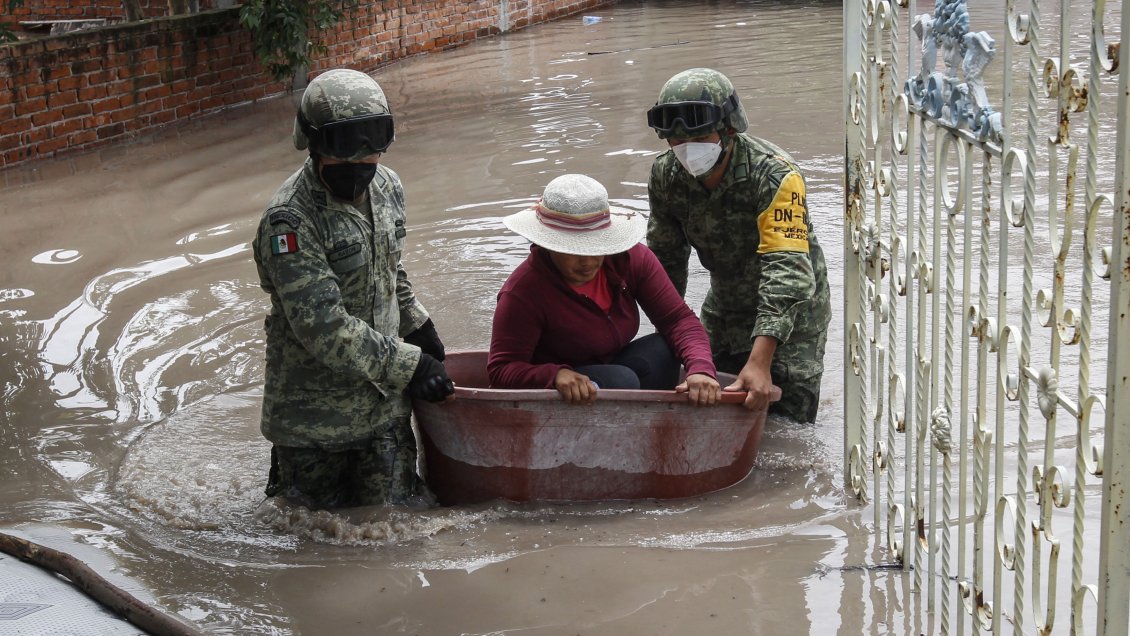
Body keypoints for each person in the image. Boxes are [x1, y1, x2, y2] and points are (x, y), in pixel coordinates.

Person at [252, 68, 455, 509]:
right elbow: (323, 328)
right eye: (346, 148)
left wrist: (418, 324)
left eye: (373, 145)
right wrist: (411, 365)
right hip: (314, 426)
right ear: (313, 144)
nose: (360, 164)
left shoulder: (388, 188)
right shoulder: (289, 221)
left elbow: (390, 269)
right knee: (310, 534)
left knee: (400, 521)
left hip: (383, 409)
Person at [645, 68, 832, 423]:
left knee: (787, 427)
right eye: (677, 141)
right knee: (709, 415)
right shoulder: (666, 176)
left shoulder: (775, 175)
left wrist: (761, 362)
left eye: (700, 139)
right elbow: (664, 263)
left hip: (793, 320)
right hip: (724, 311)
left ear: (729, 129)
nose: (688, 151)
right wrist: (669, 340)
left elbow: (787, 272)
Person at [488, 173, 721, 406]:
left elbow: (678, 320)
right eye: (573, 250)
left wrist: (701, 368)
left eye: (596, 248)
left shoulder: (632, 260)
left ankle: (654, 423)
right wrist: (555, 375)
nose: (588, 262)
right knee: (622, 380)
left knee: (664, 348)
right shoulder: (522, 292)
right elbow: (501, 370)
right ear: (548, 245)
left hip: (611, 367)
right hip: (559, 391)